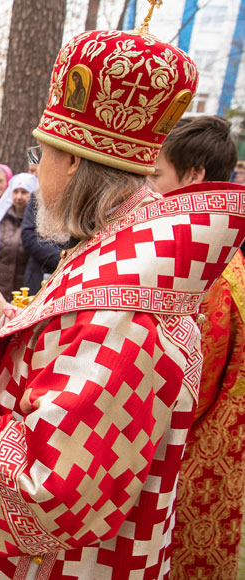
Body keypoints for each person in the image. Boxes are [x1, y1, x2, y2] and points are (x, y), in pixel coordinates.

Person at [0, 24, 245, 580]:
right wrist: (10, 318)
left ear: (75, 162)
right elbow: (75, 361)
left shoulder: (130, 308)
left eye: (42, 153)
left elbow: (47, 494)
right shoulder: (118, 253)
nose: (34, 167)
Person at [147, 115, 245, 579]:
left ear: (194, 178)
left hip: (188, 476)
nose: (146, 191)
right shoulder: (212, 257)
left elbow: (175, 395)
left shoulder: (206, 280)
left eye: (154, 176)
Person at [0, 172, 37, 298]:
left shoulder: (37, 223)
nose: (19, 197)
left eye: (24, 192)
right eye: (15, 192)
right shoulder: (1, 219)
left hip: (24, 289)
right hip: (0, 287)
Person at [20, 191, 62, 293]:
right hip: (39, 273)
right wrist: (61, 257)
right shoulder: (39, 194)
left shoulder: (81, 194)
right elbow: (29, 236)